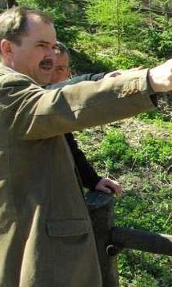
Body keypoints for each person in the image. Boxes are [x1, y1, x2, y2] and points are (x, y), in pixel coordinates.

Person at [0, 6, 172, 287]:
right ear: (8, 49)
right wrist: (147, 82)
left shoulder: (16, 90)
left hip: (36, 257)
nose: (51, 54)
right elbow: (64, 104)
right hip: (37, 259)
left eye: (54, 45)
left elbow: (66, 94)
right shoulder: (8, 89)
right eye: (41, 45)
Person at [50, 41, 122, 195]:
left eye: (60, 69)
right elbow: (49, 92)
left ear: (67, 73)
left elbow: (68, 146)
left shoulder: (57, 111)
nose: (52, 75)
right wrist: (98, 79)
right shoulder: (27, 98)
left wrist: (93, 180)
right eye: (46, 67)